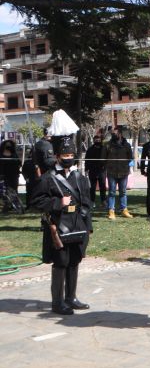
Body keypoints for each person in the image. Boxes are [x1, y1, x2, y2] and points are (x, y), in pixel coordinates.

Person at [31, 110, 92, 315]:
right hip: (58, 225)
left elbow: (87, 202)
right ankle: (57, 302)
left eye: (71, 155)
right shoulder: (48, 178)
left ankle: (71, 297)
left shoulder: (79, 177)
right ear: (57, 156)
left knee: (74, 261)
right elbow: (37, 201)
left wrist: (87, 226)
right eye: (65, 155)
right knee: (61, 263)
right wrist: (58, 202)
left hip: (77, 225)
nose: (69, 158)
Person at [101, 126, 133, 220]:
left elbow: (130, 157)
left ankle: (124, 209)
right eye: (113, 133)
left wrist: (125, 165)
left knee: (123, 191)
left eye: (115, 133)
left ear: (120, 134)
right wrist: (108, 166)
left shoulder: (126, 145)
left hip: (123, 172)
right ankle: (111, 210)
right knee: (112, 192)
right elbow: (103, 158)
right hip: (111, 172)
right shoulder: (108, 145)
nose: (114, 134)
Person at [83, 134, 106, 207]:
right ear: (93, 141)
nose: (97, 141)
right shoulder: (90, 149)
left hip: (102, 171)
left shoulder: (104, 148)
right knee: (92, 188)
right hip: (92, 171)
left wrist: (105, 167)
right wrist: (86, 169)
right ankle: (92, 201)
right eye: (96, 140)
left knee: (103, 187)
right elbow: (87, 160)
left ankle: (103, 201)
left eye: (99, 140)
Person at [0, 139, 22, 212]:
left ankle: (15, 205)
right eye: (7, 145)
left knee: (14, 190)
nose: (8, 146)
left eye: (9, 145)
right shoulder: (1, 154)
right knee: (5, 191)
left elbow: (19, 163)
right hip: (4, 175)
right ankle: (6, 206)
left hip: (14, 175)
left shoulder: (14, 154)